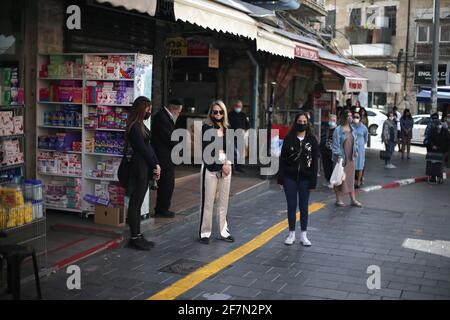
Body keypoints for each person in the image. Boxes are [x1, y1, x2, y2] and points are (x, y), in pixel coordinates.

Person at [125, 96, 161, 250]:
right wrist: (154, 164)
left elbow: (149, 147)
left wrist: (156, 164)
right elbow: (142, 149)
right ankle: (134, 237)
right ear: (141, 109)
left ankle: (138, 235)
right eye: (148, 109)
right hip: (138, 168)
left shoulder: (140, 125)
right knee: (135, 203)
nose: (150, 112)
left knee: (138, 203)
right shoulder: (134, 127)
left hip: (145, 168)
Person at [278, 111, 319, 246]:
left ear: (308, 124)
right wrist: (281, 179)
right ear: (295, 122)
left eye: (304, 122)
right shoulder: (289, 138)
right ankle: (291, 234)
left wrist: (313, 181)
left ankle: (304, 235)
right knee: (291, 206)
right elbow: (282, 159)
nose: (301, 124)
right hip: (289, 177)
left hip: (305, 178)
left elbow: (314, 163)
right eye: (299, 122)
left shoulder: (312, 140)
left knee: (304, 206)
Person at [199, 100, 234, 244]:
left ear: (224, 113)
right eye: (215, 111)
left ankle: (223, 232)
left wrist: (228, 164)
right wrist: (221, 165)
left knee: (223, 201)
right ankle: (205, 233)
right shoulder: (207, 127)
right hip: (211, 164)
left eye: (220, 111)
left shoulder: (228, 128)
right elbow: (207, 150)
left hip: (226, 165)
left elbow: (231, 149)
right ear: (211, 113)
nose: (218, 114)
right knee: (208, 201)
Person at [151, 98, 183, 218]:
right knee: (167, 185)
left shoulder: (164, 116)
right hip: (164, 157)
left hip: (166, 157)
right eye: (179, 112)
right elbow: (169, 138)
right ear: (174, 109)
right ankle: (162, 209)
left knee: (167, 184)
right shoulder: (162, 117)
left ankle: (162, 208)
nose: (179, 115)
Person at [332, 109, 363, 207]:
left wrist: (356, 150)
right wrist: (339, 157)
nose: (350, 117)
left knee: (350, 178)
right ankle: (338, 199)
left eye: (351, 115)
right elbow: (335, 145)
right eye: (348, 115)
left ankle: (353, 199)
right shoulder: (338, 130)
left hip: (351, 158)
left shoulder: (353, 129)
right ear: (343, 117)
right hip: (340, 158)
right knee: (339, 178)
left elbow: (356, 141)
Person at [228, 100, 250, 173]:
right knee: (232, 153)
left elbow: (247, 125)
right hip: (232, 136)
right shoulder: (230, 115)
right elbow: (228, 125)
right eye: (237, 106)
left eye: (240, 106)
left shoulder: (243, 115)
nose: (238, 108)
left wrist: (244, 130)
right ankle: (231, 168)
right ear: (234, 106)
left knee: (240, 153)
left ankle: (239, 167)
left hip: (241, 136)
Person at [319, 114, 337, 188]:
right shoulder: (325, 128)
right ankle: (328, 179)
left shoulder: (337, 129)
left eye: (333, 120)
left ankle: (333, 181)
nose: (332, 121)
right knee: (326, 166)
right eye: (331, 120)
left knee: (333, 166)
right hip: (325, 149)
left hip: (333, 151)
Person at [353, 112, 368, 188]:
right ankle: (352, 181)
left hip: (360, 149)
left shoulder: (363, 127)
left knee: (360, 165)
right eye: (354, 117)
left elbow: (366, 138)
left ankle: (358, 181)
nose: (356, 118)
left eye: (357, 117)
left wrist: (361, 144)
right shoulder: (350, 126)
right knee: (352, 165)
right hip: (352, 148)